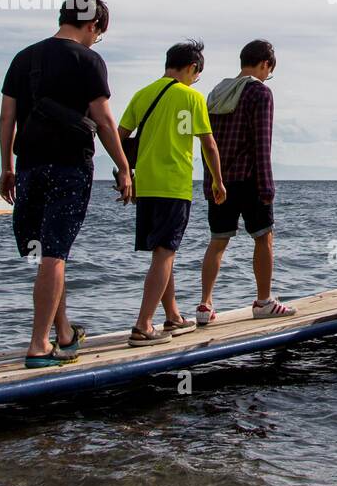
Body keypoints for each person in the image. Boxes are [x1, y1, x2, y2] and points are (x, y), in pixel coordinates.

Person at [0, 0, 133, 369]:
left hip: (27, 165)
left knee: (46, 254)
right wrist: (123, 167)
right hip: (69, 165)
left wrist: (6, 166)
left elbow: (6, 117)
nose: (96, 39)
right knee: (55, 254)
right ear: (93, 25)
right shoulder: (88, 60)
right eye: (98, 33)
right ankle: (39, 346)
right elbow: (105, 121)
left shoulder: (24, 58)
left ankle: (64, 334)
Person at [118, 39, 226, 347]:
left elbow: (119, 136)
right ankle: (143, 325)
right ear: (192, 68)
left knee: (162, 254)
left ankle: (173, 316)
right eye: (197, 74)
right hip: (174, 184)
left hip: (146, 184)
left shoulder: (142, 94)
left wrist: (126, 172)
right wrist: (218, 181)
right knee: (166, 253)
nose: (196, 79)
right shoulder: (191, 97)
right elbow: (208, 144)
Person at [196, 39, 295, 325]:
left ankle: (205, 306)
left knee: (217, 241)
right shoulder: (259, 92)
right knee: (263, 237)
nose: (267, 76)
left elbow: (206, 143)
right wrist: (267, 187)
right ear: (265, 64)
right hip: (250, 179)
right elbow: (261, 141)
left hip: (219, 181)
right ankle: (263, 301)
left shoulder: (216, 92)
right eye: (269, 71)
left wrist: (211, 181)